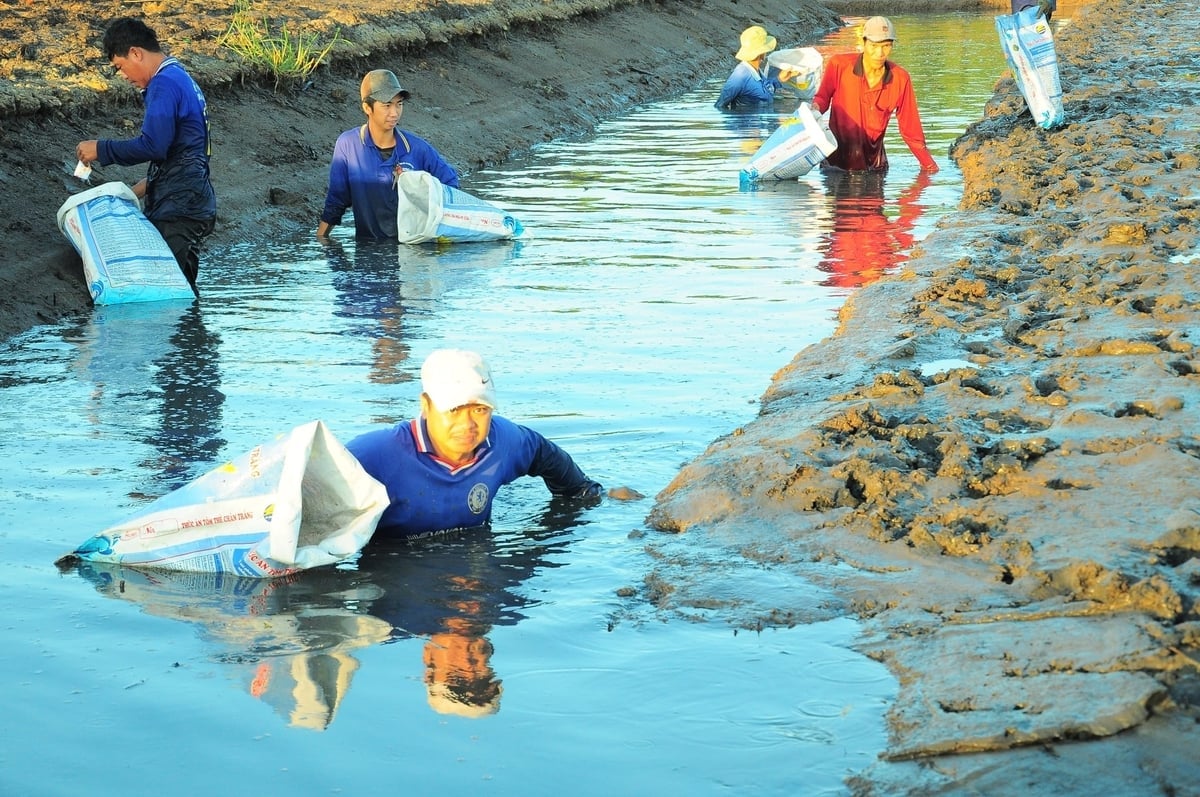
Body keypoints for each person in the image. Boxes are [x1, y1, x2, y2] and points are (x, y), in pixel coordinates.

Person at [346, 348, 607, 539]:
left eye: (480, 409)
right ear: (426, 405)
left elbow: (542, 453)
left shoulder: (501, 440)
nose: (468, 424)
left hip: (477, 563)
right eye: (455, 410)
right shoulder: (375, 456)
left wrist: (585, 492)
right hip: (397, 574)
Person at [75, 17, 217, 293]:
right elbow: (185, 151)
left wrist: (101, 149)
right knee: (183, 291)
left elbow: (154, 146)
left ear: (136, 53)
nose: (124, 76)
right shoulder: (179, 76)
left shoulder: (163, 84)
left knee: (168, 296)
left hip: (179, 207)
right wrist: (140, 188)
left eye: (120, 67)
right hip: (191, 200)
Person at [317, 69, 461, 240]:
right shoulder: (348, 145)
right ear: (366, 107)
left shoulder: (417, 148)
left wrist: (418, 188)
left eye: (399, 104)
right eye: (387, 105)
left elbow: (451, 187)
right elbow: (336, 201)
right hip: (368, 251)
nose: (394, 113)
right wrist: (321, 240)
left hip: (415, 253)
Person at [810, 16, 940, 173]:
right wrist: (814, 109)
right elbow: (822, 98)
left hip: (874, 169)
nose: (879, 53)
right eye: (873, 46)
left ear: (892, 45)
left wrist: (930, 166)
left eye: (886, 46)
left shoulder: (900, 79)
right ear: (864, 42)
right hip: (835, 166)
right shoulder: (839, 65)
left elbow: (911, 131)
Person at [714, 26, 799, 110]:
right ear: (761, 53)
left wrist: (779, 79)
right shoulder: (740, 75)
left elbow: (762, 90)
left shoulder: (757, 71)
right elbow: (720, 105)